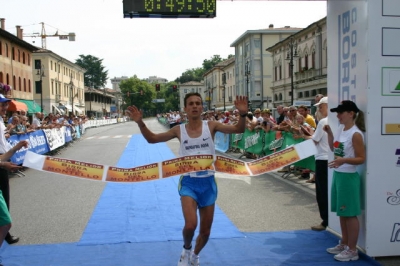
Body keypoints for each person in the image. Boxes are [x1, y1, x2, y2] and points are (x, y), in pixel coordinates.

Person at [125, 93, 248, 266]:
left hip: (208, 183)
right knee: (190, 226)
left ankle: (195, 254)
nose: (195, 106)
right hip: (189, 182)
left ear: (202, 107)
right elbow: (152, 139)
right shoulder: (178, 130)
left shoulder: (211, 125)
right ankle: (187, 248)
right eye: (191, 104)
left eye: (198, 103)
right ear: (185, 108)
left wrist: (243, 115)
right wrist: (140, 122)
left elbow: (239, 129)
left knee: (205, 232)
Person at [324, 100, 366, 262]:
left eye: (341, 112)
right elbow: (335, 149)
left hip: (348, 177)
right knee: (343, 212)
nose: (338, 115)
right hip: (339, 175)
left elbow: (361, 158)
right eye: (337, 112)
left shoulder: (356, 134)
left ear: (351, 114)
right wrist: (330, 135)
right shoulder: (342, 129)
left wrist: (343, 161)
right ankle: (345, 243)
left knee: (349, 214)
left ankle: (352, 250)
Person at [303, 97, 329, 230]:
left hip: (323, 159)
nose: (319, 109)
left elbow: (315, 140)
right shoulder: (337, 121)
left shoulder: (324, 121)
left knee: (322, 191)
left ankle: (325, 221)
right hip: (332, 159)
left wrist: (305, 135)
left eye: (321, 106)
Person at [0, 94, 23, 244]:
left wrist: (15, 148)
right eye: (2, 105)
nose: (5, 107)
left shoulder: (1, 121)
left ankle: (5, 231)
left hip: (2, 159)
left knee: (5, 201)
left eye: (6, 104)